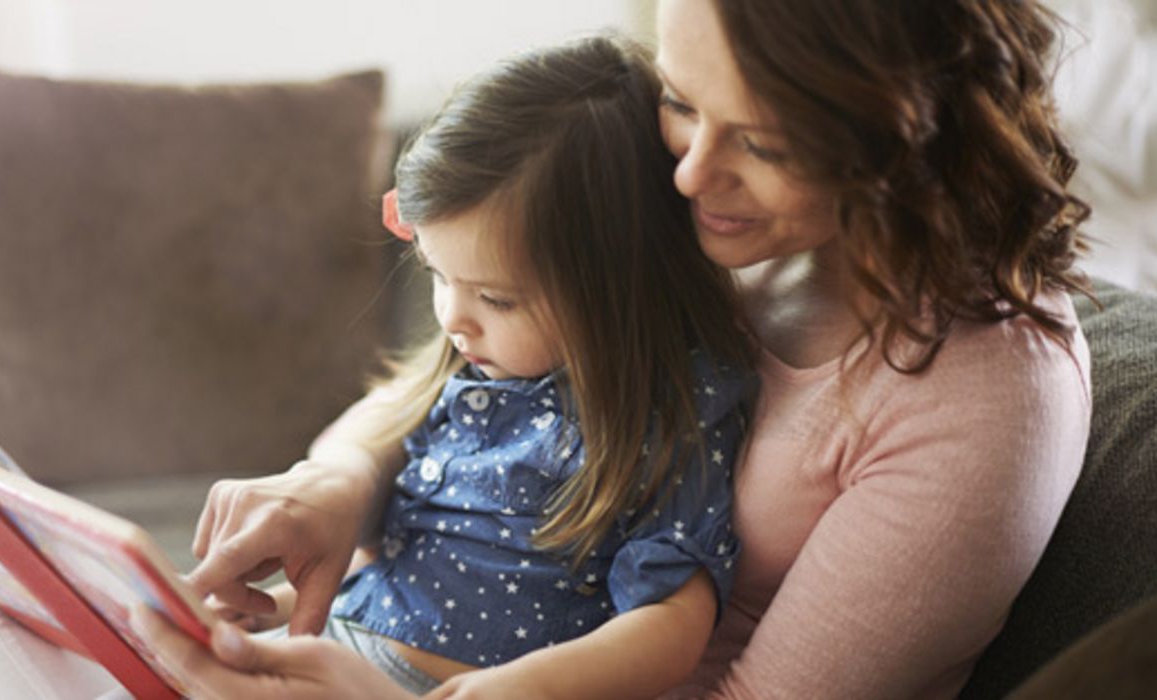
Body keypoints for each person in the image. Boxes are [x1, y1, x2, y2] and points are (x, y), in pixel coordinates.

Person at [139, 0, 1095, 698]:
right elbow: (447, 383)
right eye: (680, 101)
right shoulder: (694, 224)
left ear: (905, 133)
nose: (688, 170)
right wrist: (336, 479)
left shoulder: (985, 392)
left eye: (762, 144)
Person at [0, 34, 757, 699]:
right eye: (436, 277)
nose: (453, 319)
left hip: (425, 687)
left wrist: (500, 693)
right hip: (329, 657)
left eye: (494, 298)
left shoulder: (667, 415)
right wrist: (262, 616)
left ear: (619, 287)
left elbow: (668, 626)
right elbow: (388, 572)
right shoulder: (470, 378)